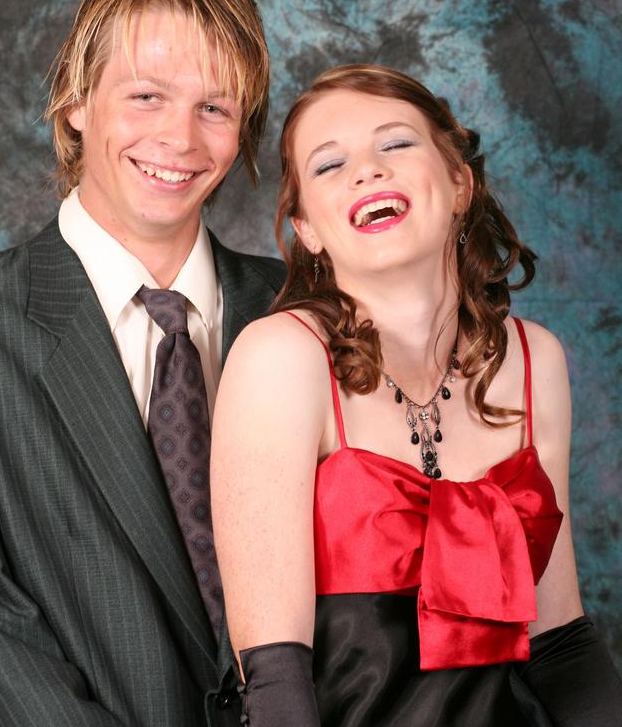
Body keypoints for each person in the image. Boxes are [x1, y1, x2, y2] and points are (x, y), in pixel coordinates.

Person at [0, 0, 286, 727]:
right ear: (76, 100)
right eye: (146, 95)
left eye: (216, 108)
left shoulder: (303, 313)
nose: (180, 139)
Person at [211, 64, 622, 726]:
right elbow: (274, 681)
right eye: (329, 164)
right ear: (308, 229)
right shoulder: (281, 356)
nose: (366, 171)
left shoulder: (533, 358)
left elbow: (562, 644)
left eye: (395, 144)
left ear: (459, 182)